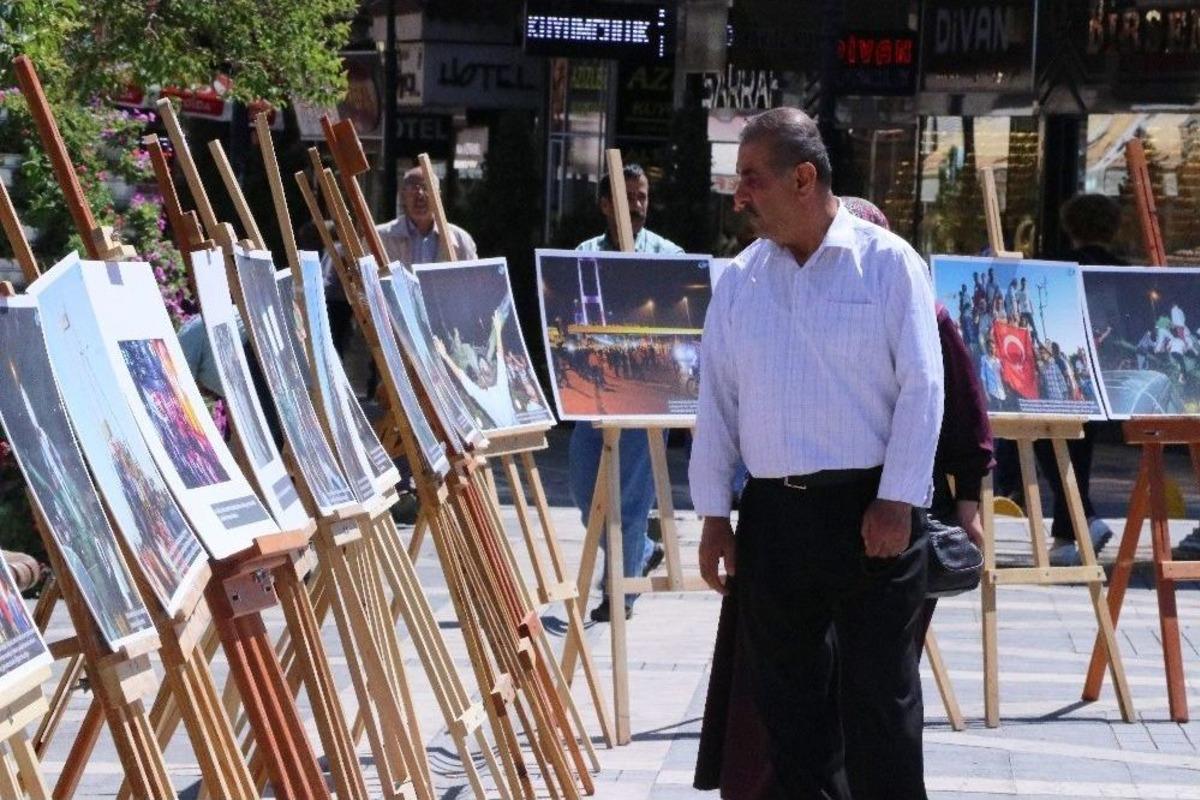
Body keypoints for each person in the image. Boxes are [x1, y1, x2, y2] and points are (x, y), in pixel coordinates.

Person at [694, 196, 989, 800]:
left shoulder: (890, 267)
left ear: (801, 181)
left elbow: (936, 394)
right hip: (777, 512)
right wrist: (713, 515)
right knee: (791, 704)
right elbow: (717, 402)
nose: (741, 196)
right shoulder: (746, 276)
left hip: (875, 511)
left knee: (880, 699)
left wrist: (913, 500)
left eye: (755, 177)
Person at [569, 163, 681, 622]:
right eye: (626, 197)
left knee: (631, 503)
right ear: (603, 204)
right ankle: (644, 551)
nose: (636, 206)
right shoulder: (584, 254)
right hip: (593, 398)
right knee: (585, 497)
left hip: (643, 401)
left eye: (642, 197)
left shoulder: (667, 255)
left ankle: (620, 596)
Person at [1036, 194, 1123, 566]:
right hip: (1108, 373)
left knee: (1048, 444)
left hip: (1068, 369)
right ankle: (1068, 533)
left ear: (1070, 225)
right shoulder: (1122, 269)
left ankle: (1081, 521)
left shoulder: (1059, 266)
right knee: (1078, 453)